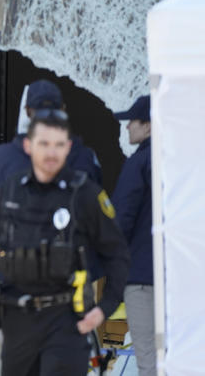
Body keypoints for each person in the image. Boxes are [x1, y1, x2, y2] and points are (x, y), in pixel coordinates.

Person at [0, 111, 129, 375]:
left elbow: (117, 254)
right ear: (28, 146)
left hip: (66, 319)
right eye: (44, 144)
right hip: (17, 318)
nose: (51, 153)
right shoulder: (10, 190)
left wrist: (104, 308)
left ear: (68, 147)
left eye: (59, 145)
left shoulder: (84, 195)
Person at [0, 79, 103, 211]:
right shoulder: (86, 156)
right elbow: (96, 204)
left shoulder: (5, 156)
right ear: (63, 109)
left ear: (27, 111)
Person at [112, 95, 155, 376]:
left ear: (149, 126)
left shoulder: (138, 163)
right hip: (183, 279)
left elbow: (121, 219)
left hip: (141, 276)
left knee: (149, 356)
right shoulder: (187, 161)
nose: (127, 128)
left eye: (132, 122)